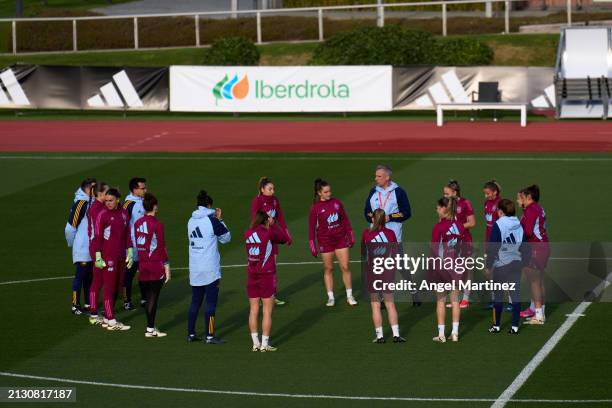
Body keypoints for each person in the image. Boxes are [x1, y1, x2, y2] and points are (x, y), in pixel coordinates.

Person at [363, 164, 416, 305]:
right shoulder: (373, 191)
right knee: (378, 267)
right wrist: (374, 218)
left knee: (400, 266)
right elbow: (366, 212)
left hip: (393, 236)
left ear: (387, 177)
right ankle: (381, 297)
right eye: (376, 176)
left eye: (379, 176)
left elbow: (407, 212)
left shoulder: (398, 192)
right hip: (376, 237)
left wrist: (390, 217)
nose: (376, 179)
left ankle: (413, 292)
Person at [187, 190, 231, 344]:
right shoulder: (212, 221)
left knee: (195, 302)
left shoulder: (190, 221)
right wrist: (221, 219)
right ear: (209, 205)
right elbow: (226, 238)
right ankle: (210, 336)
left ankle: (191, 334)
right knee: (211, 304)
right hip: (210, 270)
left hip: (194, 268)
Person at [308, 178, 357, 307]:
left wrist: (350, 235)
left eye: (329, 191)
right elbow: (311, 228)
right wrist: (313, 245)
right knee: (328, 268)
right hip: (326, 241)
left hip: (340, 239)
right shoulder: (315, 208)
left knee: (345, 267)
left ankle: (349, 295)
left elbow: (345, 221)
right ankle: (331, 297)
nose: (329, 194)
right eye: (326, 192)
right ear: (319, 193)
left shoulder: (337, 203)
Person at [245, 210, 289, 352]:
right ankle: (264, 344)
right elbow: (284, 238)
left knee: (253, 310)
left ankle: (255, 343)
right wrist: (274, 224)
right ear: (266, 220)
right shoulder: (268, 233)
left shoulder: (247, 233)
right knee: (267, 311)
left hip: (252, 275)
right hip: (266, 276)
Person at [92, 188, 133, 331]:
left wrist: (130, 251)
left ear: (117, 200)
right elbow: (97, 237)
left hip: (121, 256)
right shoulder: (102, 215)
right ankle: (111, 320)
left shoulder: (124, 213)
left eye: (111, 200)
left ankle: (107, 317)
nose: (108, 203)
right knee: (109, 287)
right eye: (106, 201)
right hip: (108, 256)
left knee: (118, 286)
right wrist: (98, 256)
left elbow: (127, 233)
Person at [362, 209, 405, 344]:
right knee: (390, 304)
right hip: (387, 271)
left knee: (375, 305)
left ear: (373, 219)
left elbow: (364, 254)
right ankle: (396, 335)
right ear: (384, 219)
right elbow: (396, 254)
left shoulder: (366, 234)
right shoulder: (391, 233)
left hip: (372, 272)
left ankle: (380, 336)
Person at [486, 199, 528, 335]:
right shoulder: (518, 224)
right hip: (516, 262)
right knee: (515, 294)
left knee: (498, 295)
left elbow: (493, 247)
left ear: (501, 211)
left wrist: (488, 265)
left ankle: (496, 325)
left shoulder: (498, 224)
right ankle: (515, 326)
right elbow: (525, 245)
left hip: (501, 264)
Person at [134, 193, 171, 338]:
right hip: (155, 264)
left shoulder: (137, 223)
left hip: (142, 265)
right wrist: (167, 265)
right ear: (155, 206)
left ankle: (150, 327)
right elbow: (161, 246)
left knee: (148, 297)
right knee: (153, 298)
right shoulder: (157, 224)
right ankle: (150, 329)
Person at [251, 177, 292, 306]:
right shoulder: (257, 201)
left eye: (273, 188)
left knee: (272, 267)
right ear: (262, 189)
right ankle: (259, 296)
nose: (273, 191)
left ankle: (271, 295)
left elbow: (281, 217)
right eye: (270, 189)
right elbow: (254, 220)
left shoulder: (275, 200)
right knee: (260, 268)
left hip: (272, 237)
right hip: (261, 238)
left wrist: (286, 233)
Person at [430, 196, 465, 343]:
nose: (436, 210)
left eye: (438, 208)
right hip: (457, 265)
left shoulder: (439, 227)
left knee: (440, 301)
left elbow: (434, 250)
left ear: (444, 209)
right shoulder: (460, 226)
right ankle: (455, 333)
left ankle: (442, 334)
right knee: (455, 301)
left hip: (443, 267)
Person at [518, 185, 549, 325]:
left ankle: (538, 315)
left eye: (523, 197)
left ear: (529, 197)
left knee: (534, 282)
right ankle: (540, 311)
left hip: (535, 248)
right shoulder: (538, 208)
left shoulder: (530, 210)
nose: (521, 199)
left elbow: (528, 232)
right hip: (543, 247)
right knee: (539, 281)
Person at [65, 178, 96, 315]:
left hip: (92, 248)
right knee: (80, 276)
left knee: (89, 277)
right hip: (82, 248)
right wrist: (73, 244)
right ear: (87, 189)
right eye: (94, 188)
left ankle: (88, 303)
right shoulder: (81, 203)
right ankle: (75, 304)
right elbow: (70, 228)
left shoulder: (93, 202)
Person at [443, 180, 475, 309]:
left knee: (466, 271)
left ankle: (466, 298)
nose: (444, 196)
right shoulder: (445, 205)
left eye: (447, 193)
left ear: (454, 192)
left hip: (464, 241)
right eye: (444, 193)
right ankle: (455, 298)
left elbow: (472, 223)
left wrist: (456, 227)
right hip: (451, 243)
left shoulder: (465, 203)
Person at [122, 177, 147, 311]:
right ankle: (126, 300)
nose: (145, 190)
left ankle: (144, 298)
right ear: (134, 189)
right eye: (142, 188)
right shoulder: (128, 204)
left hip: (144, 244)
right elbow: (122, 225)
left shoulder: (144, 201)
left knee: (144, 272)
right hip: (132, 246)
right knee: (129, 274)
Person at [87, 181, 109, 325]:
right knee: (98, 281)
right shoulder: (97, 209)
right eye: (107, 193)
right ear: (100, 194)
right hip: (97, 248)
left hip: (98, 247)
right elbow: (97, 233)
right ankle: (94, 313)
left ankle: (95, 310)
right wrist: (97, 253)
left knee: (99, 280)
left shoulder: (98, 206)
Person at [483, 180, 503, 310]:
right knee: (489, 272)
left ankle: (511, 302)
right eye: (485, 193)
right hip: (489, 241)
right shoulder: (486, 204)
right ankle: (494, 299)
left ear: (495, 192)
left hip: (499, 242)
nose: (486, 196)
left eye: (488, 193)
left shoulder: (501, 204)